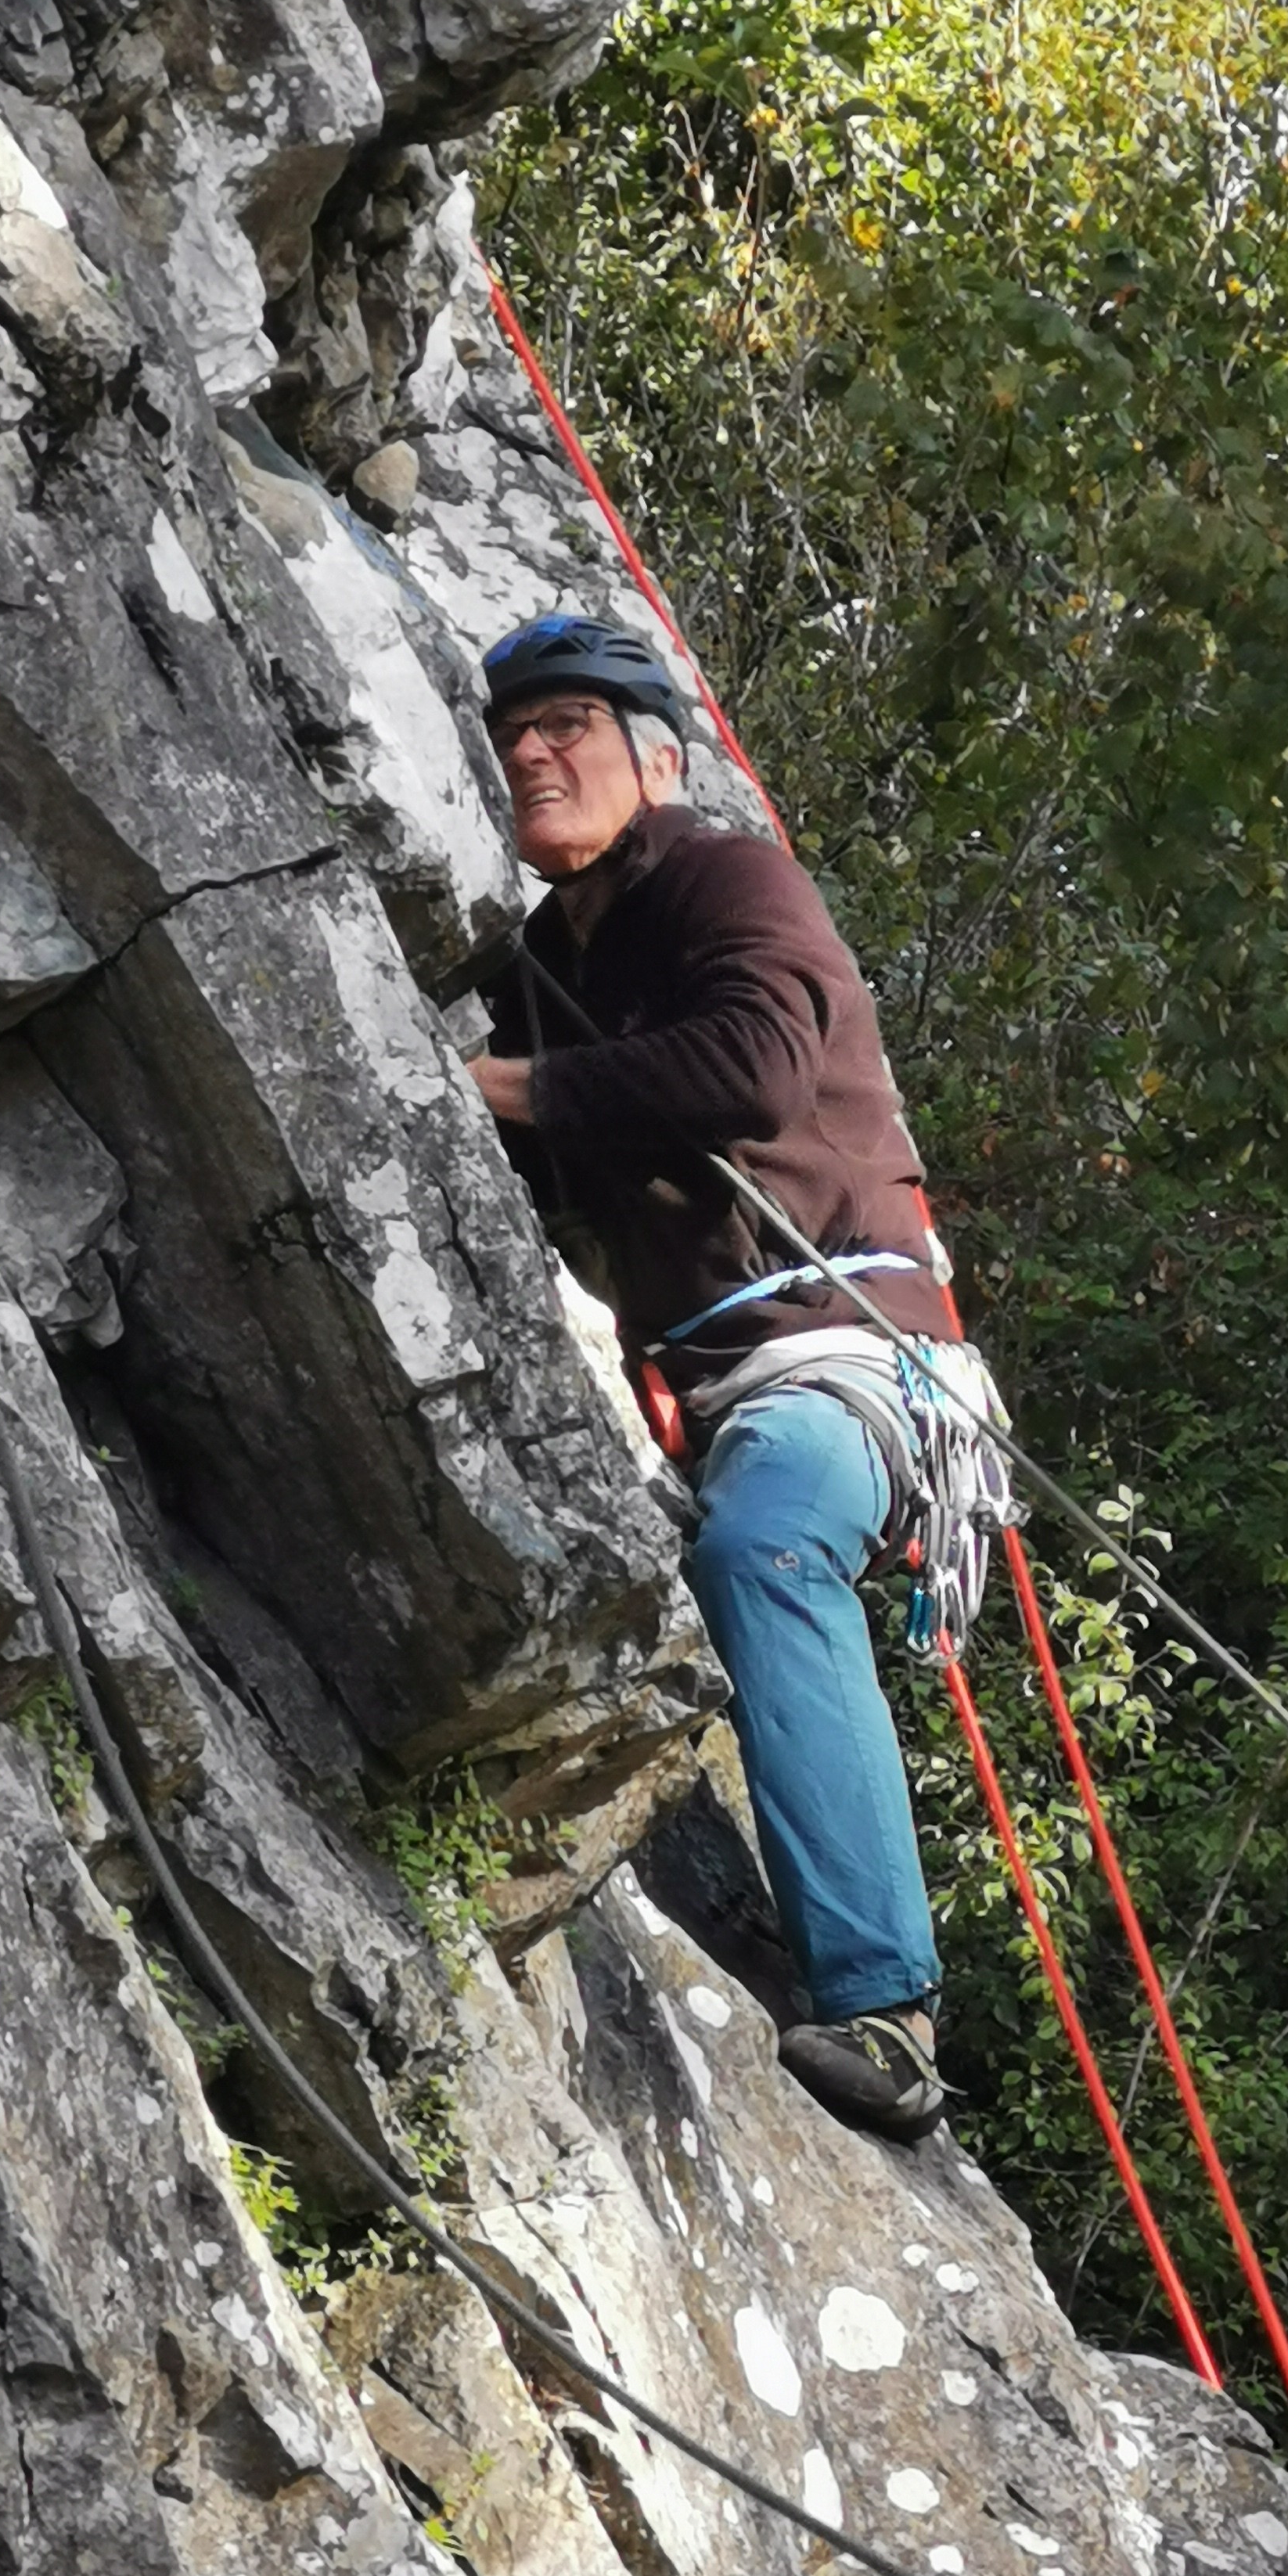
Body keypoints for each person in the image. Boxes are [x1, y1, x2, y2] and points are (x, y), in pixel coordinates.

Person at [466, 610, 966, 2146]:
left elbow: (753, 1065)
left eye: (573, 726)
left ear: (657, 759)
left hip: (851, 1362)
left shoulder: (724, 877)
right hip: (716, 1388)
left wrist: (517, 1090)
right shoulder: (550, 960)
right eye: (516, 733)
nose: (537, 750)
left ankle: (887, 2008)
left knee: (768, 1542)